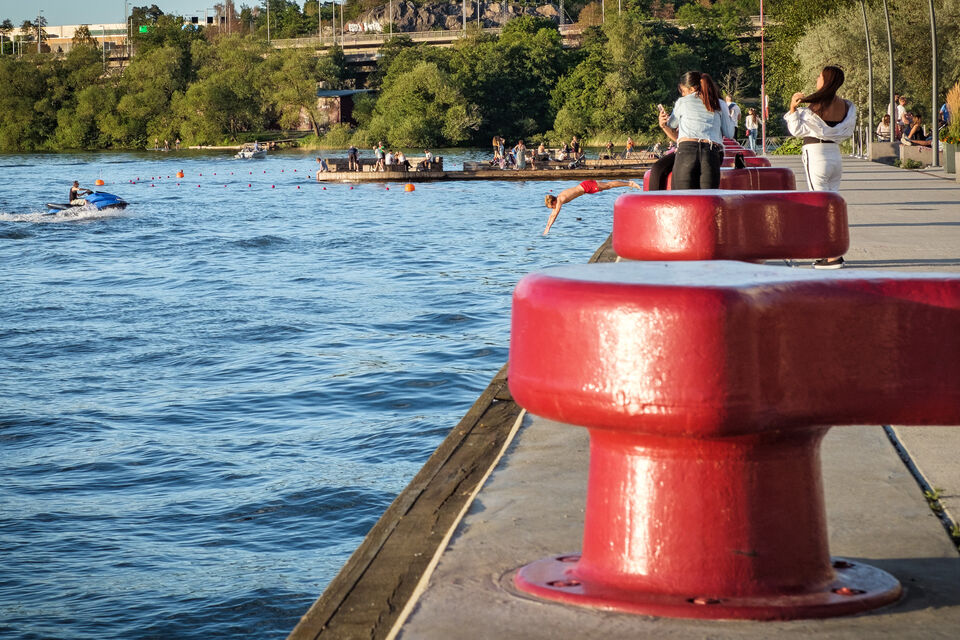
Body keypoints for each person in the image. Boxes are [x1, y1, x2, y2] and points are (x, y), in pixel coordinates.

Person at [784, 65, 855, 269]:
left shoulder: (814, 107)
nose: (817, 79)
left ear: (826, 80)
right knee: (832, 205)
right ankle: (835, 252)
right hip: (835, 155)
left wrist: (792, 109)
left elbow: (796, 130)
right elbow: (846, 131)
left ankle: (831, 256)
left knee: (821, 206)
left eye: (819, 76)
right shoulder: (846, 106)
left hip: (816, 154)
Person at [658, 71, 735, 190]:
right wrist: (731, 118)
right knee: (708, 199)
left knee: (683, 198)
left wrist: (663, 123)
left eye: (683, 91)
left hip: (687, 152)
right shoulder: (720, 103)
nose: (683, 94)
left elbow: (671, 124)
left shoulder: (682, 102)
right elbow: (729, 133)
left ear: (692, 89)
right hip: (711, 153)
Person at [542, 179, 641, 235]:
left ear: (553, 202)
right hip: (585, 187)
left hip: (586, 186)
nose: (553, 208)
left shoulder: (560, 200)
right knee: (607, 186)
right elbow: (552, 215)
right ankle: (628, 183)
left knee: (608, 185)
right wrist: (547, 227)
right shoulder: (558, 198)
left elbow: (555, 215)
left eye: (552, 207)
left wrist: (548, 227)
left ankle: (629, 183)